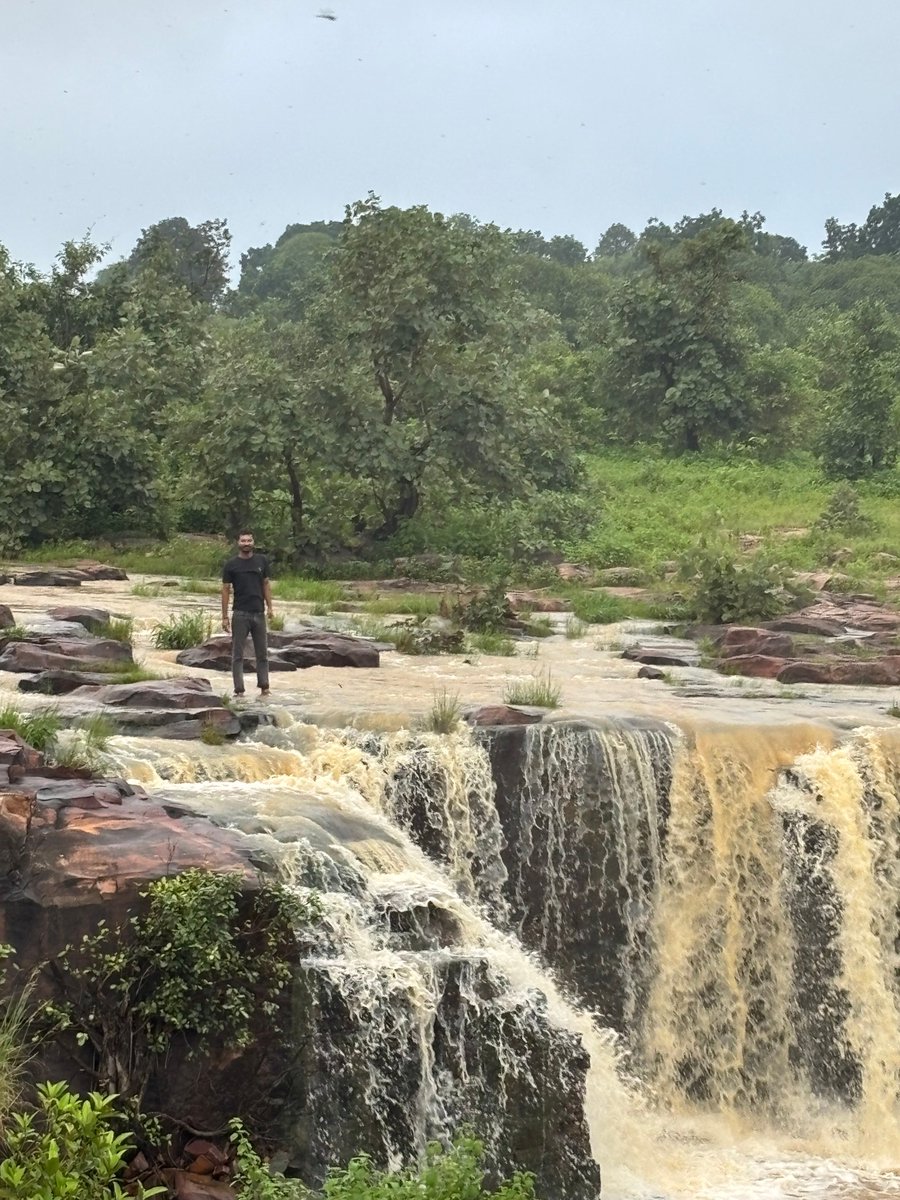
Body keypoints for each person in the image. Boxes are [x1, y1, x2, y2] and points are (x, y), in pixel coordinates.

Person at [221, 531, 275, 698]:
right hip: (240, 613)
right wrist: (224, 616)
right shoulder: (231, 565)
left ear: (253, 542)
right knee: (237, 655)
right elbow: (225, 590)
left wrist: (270, 607)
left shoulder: (261, 561)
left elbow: (265, 584)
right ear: (238, 543)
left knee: (262, 654)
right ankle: (239, 690)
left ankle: (264, 687)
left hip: (259, 612)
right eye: (243, 540)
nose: (246, 543)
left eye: (249, 540)